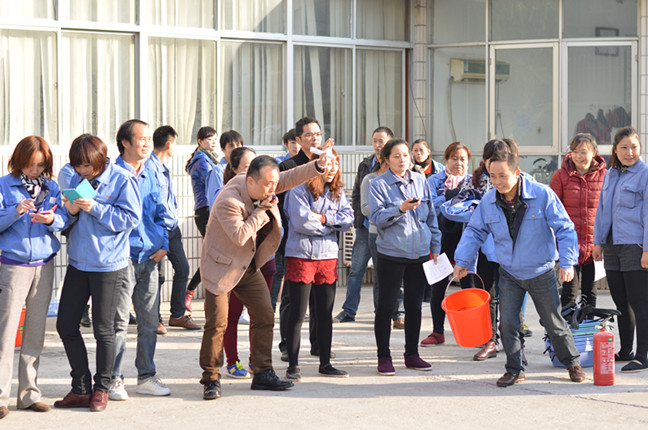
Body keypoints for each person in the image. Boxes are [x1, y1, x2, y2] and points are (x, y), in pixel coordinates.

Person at [198, 146, 333, 400]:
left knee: (265, 315)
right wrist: (261, 212)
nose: (273, 189)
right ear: (250, 181)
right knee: (217, 323)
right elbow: (240, 235)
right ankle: (211, 377)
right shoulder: (229, 200)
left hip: (247, 265)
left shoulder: (263, 182)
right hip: (221, 266)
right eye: (268, 185)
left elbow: (290, 177)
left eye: (274, 184)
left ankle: (262, 372)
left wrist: (317, 166)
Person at [453, 150, 586, 387]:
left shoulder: (542, 194)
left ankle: (572, 363)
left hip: (541, 272)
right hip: (509, 273)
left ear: (516, 172)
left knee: (553, 323)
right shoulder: (488, 201)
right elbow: (474, 231)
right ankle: (515, 369)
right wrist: (462, 260)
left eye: (502, 175)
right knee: (508, 324)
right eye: (493, 176)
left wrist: (567, 262)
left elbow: (565, 228)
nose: (497, 182)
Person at [55, 134, 140, 411]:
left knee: (104, 330)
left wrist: (96, 208)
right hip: (78, 262)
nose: (82, 171)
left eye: (87, 166)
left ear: (101, 160)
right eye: (78, 166)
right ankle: (80, 387)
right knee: (66, 324)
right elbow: (69, 215)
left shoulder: (121, 179)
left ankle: (102, 388)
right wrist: (67, 212)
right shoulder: (78, 178)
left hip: (108, 265)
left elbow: (130, 218)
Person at [0, 136, 68, 419]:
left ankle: (29, 394)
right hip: (13, 265)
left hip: (44, 263)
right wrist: (16, 211)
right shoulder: (4, 185)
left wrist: (51, 220)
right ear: (19, 161)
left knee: (35, 332)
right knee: (5, 333)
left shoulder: (52, 187)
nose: (35, 170)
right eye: (30, 165)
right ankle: (1, 397)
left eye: (40, 165)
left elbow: (65, 219)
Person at [368, 138, 442, 376]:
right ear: (387, 159)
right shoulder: (378, 185)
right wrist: (400, 209)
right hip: (391, 253)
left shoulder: (421, 180)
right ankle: (384, 356)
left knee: (415, 306)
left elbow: (431, 217)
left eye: (405, 155)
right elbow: (376, 218)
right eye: (396, 156)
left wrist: (435, 246)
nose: (402, 160)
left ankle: (412, 354)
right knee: (386, 306)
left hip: (419, 252)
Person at [111, 119, 170, 400]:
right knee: (118, 323)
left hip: (150, 257)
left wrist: (164, 244)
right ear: (125, 142)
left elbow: (162, 212)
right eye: (141, 138)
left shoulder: (151, 173)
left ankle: (146, 375)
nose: (147, 143)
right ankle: (113, 379)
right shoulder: (111, 173)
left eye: (149, 138)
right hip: (122, 259)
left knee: (149, 322)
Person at [284, 149, 353, 381]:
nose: (332, 168)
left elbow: (349, 218)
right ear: (316, 165)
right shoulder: (298, 189)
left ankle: (325, 363)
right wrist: (330, 228)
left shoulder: (337, 192)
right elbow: (301, 222)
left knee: (325, 313)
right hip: (301, 255)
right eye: (328, 163)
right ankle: (293, 365)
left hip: (327, 258)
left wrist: (323, 219)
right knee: (297, 313)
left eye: (335, 163)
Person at [275, 117, 334, 362]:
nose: (314, 139)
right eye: (309, 135)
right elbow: (284, 209)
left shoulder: (329, 163)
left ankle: (318, 345)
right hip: (294, 241)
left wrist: (325, 221)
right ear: (298, 139)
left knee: (320, 300)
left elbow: (338, 203)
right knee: (292, 299)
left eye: (318, 134)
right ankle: (288, 346)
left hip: (323, 243)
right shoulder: (288, 166)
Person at [593, 127, 648, 371]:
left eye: (634, 147)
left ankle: (643, 355)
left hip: (635, 245)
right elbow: (602, 210)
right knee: (621, 301)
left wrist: (647, 250)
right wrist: (598, 242)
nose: (629, 152)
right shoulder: (610, 174)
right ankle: (626, 351)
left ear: (640, 148)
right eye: (624, 147)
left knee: (639, 301)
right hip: (612, 245)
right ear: (615, 150)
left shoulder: (645, 174)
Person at [334, 126, 396, 324]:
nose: (378, 145)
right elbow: (357, 194)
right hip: (364, 227)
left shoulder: (395, 165)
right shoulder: (365, 165)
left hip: (384, 230)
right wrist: (357, 219)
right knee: (356, 270)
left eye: (382, 141)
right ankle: (349, 311)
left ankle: (381, 313)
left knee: (380, 274)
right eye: (375, 141)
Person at [146, 126, 200, 331]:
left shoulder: (163, 166)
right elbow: (153, 203)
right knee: (157, 275)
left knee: (183, 268)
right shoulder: (150, 168)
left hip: (172, 226)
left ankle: (177, 315)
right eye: (175, 143)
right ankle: (155, 319)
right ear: (169, 144)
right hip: (158, 228)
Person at [422, 142, 474, 347]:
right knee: (439, 287)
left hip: (467, 242)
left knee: (469, 287)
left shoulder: (474, 182)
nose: (458, 163)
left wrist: (454, 199)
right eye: (454, 158)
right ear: (445, 160)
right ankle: (437, 332)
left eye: (463, 159)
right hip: (440, 240)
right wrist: (449, 196)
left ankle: (472, 332)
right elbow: (429, 208)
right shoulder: (433, 181)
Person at [550, 133, 606, 308]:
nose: (579, 156)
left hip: (594, 246)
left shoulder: (605, 176)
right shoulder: (561, 175)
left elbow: (608, 211)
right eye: (575, 152)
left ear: (594, 152)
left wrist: (602, 242)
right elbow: (552, 210)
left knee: (590, 295)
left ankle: (588, 325)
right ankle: (567, 326)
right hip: (569, 246)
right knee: (569, 294)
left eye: (583, 152)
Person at [220, 147, 261, 379]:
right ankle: (232, 361)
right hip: (237, 264)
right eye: (246, 167)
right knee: (232, 314)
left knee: (261, 315)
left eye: (255, 165)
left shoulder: (266, 191)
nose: (252, 171)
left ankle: (257, 360)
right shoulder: (229, 196)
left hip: (262, 261)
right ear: (234, 169)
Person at [185, 126, 219, 312]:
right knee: (212, 255)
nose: (213, 142)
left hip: (208, 210)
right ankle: (190, 291)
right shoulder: (202, 161)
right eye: (209, 139)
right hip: (206, 210)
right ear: (200, 141)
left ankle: (193, 292)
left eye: (215, 139)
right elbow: (213, 184)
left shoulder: (210, 159)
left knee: (213, 255)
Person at [206, 130, 244, 209]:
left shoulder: (245, 168)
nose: (235, 148)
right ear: (223, 149)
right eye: (231, 146)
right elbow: (214, 199)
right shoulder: (218, 171)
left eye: (238, 145)